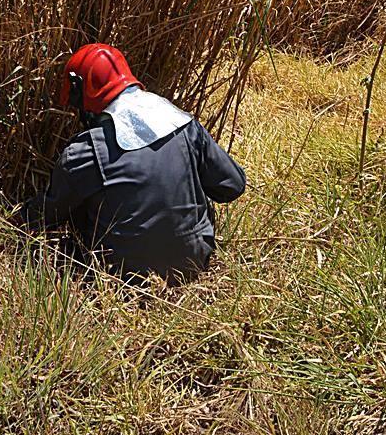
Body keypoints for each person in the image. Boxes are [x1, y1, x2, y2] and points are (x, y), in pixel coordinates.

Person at [21, 43, 246, 284]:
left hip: (122, 277)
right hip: (194, 263)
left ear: (79, 91)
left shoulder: (84, 152)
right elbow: (232, 186)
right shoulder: (184, 124)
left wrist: (14, 219)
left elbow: (45, 217)